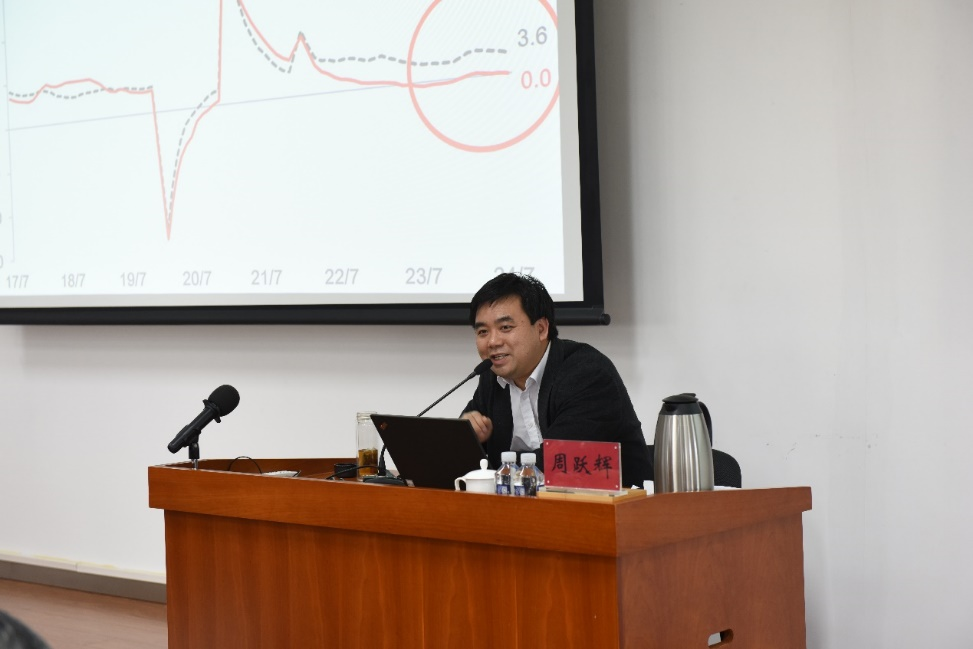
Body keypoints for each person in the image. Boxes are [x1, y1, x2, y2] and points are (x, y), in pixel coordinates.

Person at [461, 273, 652, 487]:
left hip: (618, 502)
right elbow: (461, 455)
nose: (493, 342)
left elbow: (560, 461)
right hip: (529, 503)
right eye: (483, 331)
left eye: (505, 327)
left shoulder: (587, 373)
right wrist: (468, 437)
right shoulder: (492, 377)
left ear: (541, 329)